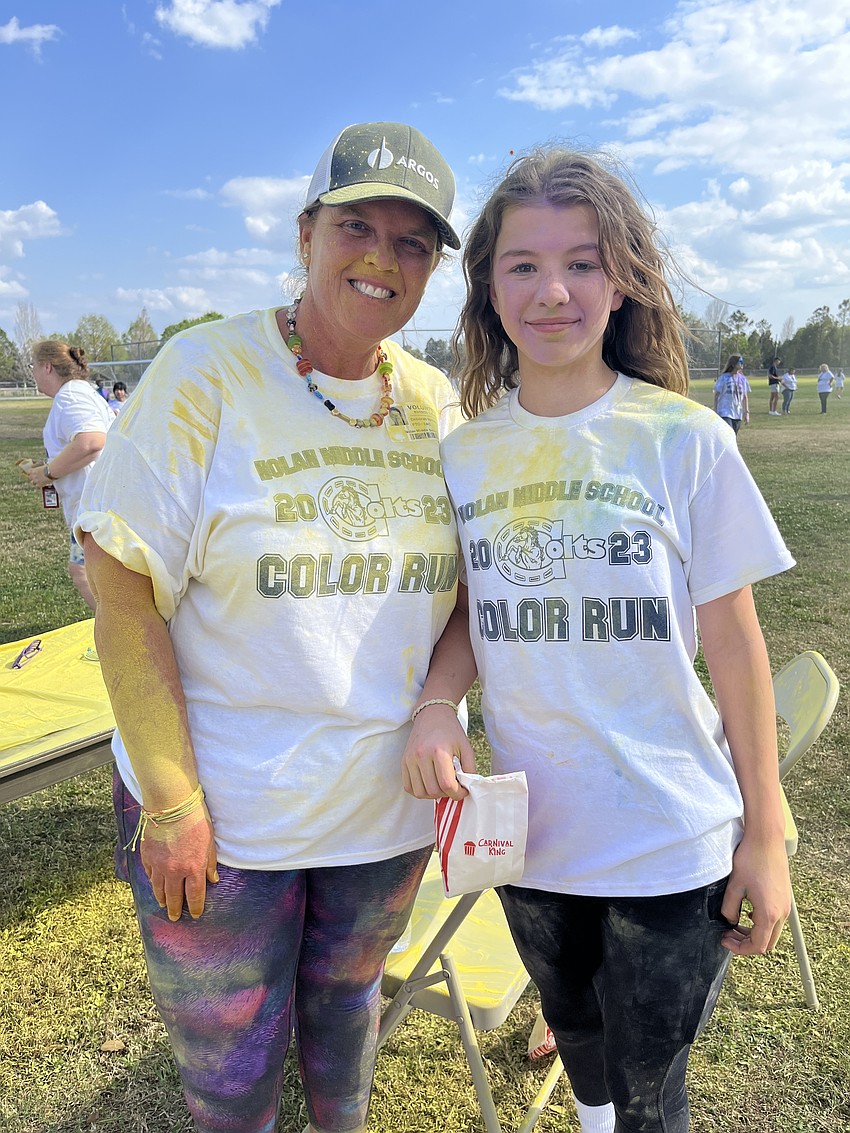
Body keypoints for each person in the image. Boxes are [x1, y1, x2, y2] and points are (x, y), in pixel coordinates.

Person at [76, 121, 464, 1133]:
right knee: (233, 1069)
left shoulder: (433, 406)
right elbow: (117, 579)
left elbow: (470, 594)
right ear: (306, 234)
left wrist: (438, 703)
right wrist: (168, 798)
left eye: (412, 242)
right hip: (226, 815)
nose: (381, 257)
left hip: (382, 816)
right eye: (356, 225)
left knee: (343, 1028)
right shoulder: (203, 373)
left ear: (431, 269)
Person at [402, 146, 794, 1133]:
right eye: (523, 265)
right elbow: (468, 612)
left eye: (581, 261)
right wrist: (436, 700)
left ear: (620, 280)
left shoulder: (684, 438)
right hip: (528, 833)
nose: (553, 290)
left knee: (651, 1085)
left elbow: (737, 643)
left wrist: (767, 828)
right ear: (488, 287)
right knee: (575, 1029)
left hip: (668, 835)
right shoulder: (464, 451)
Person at [22, 340, 113, 610]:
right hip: (102, 503)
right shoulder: (82, 392)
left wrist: (48, 473)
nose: (33, 373)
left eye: (33, 366)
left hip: (95, 507)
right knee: (96, 574)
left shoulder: (69, 396)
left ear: (47, 367)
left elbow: (92, 441)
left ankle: (118, 639)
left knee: (83, 572)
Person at [713, 354, 750, 433]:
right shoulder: (724, 378)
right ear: (734, 364)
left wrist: (746, 413)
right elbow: (716, 395)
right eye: (740, 362)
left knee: (733, 437)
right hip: (725, 412)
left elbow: (745, 397)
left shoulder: (743, 379)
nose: (742, 363)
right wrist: (715, 410)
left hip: (737, 413)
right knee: (728, 433)